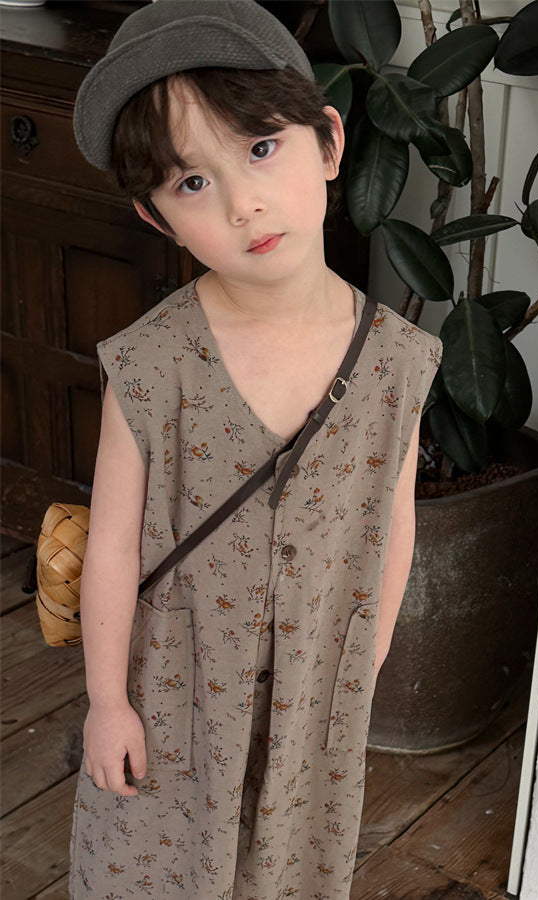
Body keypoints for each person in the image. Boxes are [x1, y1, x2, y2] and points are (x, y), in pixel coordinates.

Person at [67, 1, 442, 897]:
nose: (244, 204)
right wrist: (108, 702)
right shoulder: (151, 366)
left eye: (262, 148)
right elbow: (111, 545)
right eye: (193, 183)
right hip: (175, 688)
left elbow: (393, 524)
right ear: (156, 217)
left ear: (330, 142)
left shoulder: (397, 362)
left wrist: (363, 662)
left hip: (313, 693)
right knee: (150, 863)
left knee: (286, 868)